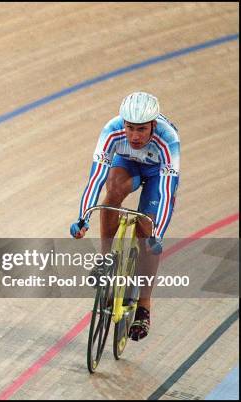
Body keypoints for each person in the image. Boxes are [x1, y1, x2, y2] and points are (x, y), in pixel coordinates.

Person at [70, 91, 180, 340]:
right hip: (128, 164)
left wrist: (157, 233)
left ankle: (144, 305)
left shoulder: (168, 139)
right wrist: (83, 217)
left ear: (153, 125)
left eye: (141, 129)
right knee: (112, 193)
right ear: (123, 124)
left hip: (157, 175)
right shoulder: (112, 130)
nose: (134, 136)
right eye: (130, 128)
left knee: (146, 232)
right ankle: (106, 259)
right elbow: (96, 178)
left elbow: (165, 191)